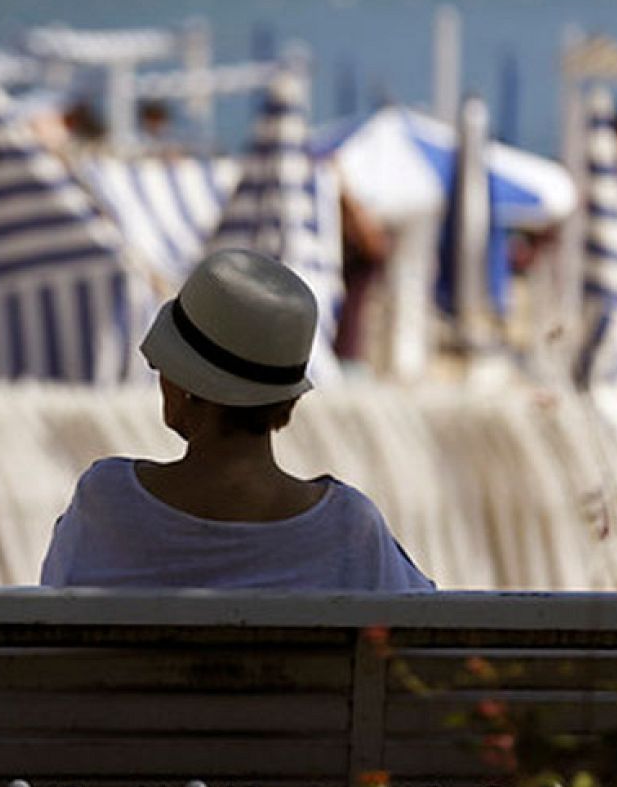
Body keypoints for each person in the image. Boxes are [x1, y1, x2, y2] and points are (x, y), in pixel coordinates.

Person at [40, 249, 433, 591]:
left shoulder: (106, 503)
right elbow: (425, 626)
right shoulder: (350, 529)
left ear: (185, 386)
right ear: (288, 401)